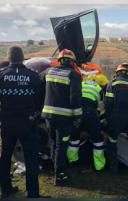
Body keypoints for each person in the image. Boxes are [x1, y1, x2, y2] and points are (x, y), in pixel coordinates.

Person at [0, 46, 44, 198]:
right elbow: (41, 100)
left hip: (8, 123)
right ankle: (33, 194)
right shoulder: (33, 76)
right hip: (28, 124)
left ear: (9, 58)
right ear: (23, 58)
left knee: (5, 156)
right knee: (31, 158)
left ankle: (6, 190)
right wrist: (36, 116)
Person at [42, 49, 82, 186]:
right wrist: (77, 117)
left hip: (48, 116)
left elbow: (40, 87)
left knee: (53, 142)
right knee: (61, 146)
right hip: (63, 118)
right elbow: (75, 98)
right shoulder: (73, 74)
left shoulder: (48, 72)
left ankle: (56, 170)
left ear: (59, 60)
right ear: (72, 61)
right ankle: (60, 176)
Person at [67, 74, 108, 171]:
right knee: (97, 140)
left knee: (74, 138)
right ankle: (99, 166)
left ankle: (72, 161)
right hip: (91, 113)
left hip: (77, 112)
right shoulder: (99, 88)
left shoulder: (81, 83)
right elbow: (101, 108)